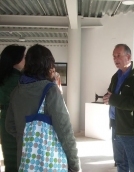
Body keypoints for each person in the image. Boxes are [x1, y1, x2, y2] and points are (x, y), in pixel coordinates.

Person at [5, 44, 81, 171]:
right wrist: (74, 164)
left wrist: (27, 136)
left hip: (25, 162)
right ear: (48, 65)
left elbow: (9, 125)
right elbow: (64, 130)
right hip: (49, 162)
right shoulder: (50, 90)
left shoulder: (16, 92)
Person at [103, 44, 134, 172]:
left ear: (128, 57)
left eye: (118, 55)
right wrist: (108, 97)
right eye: (113, 56)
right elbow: (112, 94)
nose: (115, 59)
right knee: (120, 163)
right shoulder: (116, 76)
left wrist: (113, 99)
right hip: (115, 125)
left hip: (131, 130)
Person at [0, 44, 26, 172]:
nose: (25, 60)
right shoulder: (21, 80)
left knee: (9, 157)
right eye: (23, 57)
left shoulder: (2, 78)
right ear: (16, 60)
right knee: (20, 157)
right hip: (18, 119)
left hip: (4, 117)